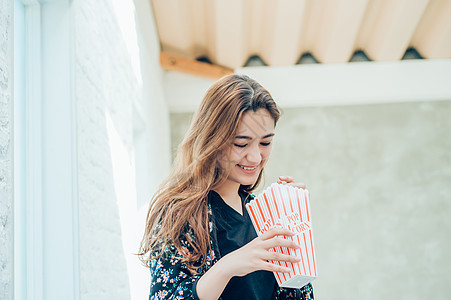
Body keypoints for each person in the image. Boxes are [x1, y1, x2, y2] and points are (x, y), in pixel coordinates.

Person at [139, 74, 314, 300]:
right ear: (213, 140)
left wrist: (294, 224)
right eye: (241, 143)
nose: (255, 157)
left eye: (265, 142)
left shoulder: (264, 214)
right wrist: (227, 267)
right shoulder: (179, 214)